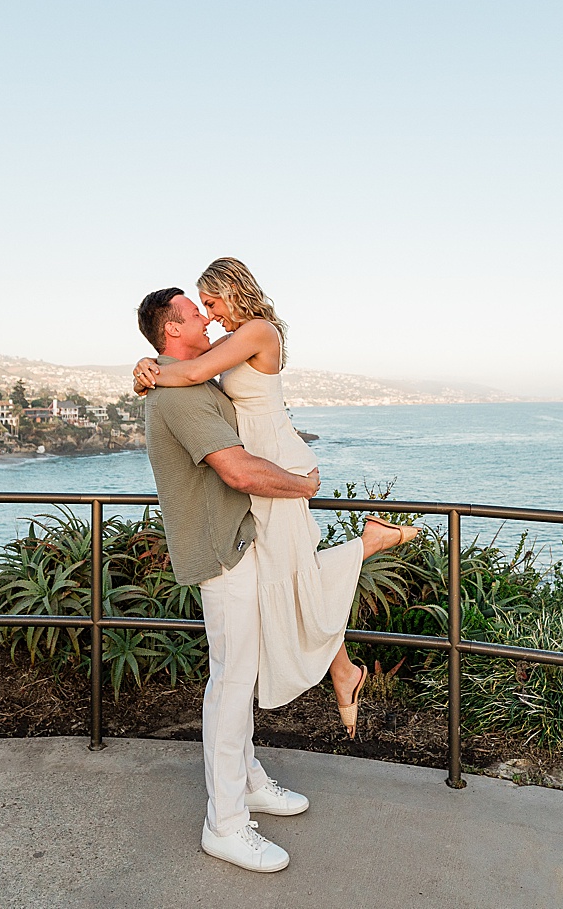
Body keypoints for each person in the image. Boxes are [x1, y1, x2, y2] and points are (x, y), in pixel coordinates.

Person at [135, 285, 415, 874]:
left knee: (275, 623)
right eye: (193, 315)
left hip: (242, 543)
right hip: (224, 554)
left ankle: (251, 782)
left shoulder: (187, 378)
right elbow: (237, 470)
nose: (206, 322)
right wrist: (304, 486)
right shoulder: (177, 394)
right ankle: (226, 824)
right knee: (231, 686)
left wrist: (148, 369)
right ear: (170, 332)